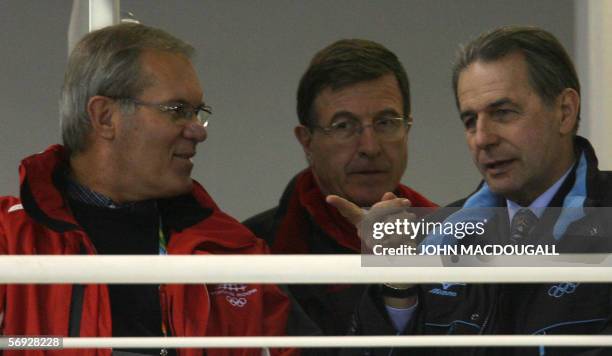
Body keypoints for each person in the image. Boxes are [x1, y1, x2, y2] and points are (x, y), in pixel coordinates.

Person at [0, 23, 295, 356]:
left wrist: (370, 246)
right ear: (105, 117)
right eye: (177, 111)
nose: (198, 131)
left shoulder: (234, 248)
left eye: (198, 113)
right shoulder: (9, 242)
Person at [330, 26, 612, 356]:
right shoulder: (437, 234)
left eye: (503, 113)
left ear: (565, 111)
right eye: (469, 121)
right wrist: (396, 283)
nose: (482, 138)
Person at [243, 39, 436, 339]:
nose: (370, 147)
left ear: (407, 129)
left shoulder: (451, 235)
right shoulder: (253, 251)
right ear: (306, 141)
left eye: (386, 122)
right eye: (344, 126)